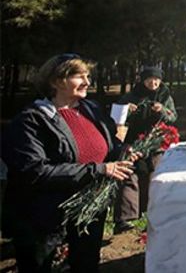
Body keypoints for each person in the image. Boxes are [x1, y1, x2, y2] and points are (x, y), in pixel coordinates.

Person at [2, 54, 138, 273]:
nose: (87, 82)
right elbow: (35, 172)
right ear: (56, 81)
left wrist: (121, 152)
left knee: (86, 265)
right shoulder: (31, 121)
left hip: (89, 211)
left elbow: (108, 143)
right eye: (79, 76)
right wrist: (101, 170)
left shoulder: (90, 109)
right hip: (46, 218)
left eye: (88, 76)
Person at [113, 66, 177, 234]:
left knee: (154, 178)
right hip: (132, 143)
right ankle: (124, 219)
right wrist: (127, 111)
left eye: (156, 79)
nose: (153, 82)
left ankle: (154, 217)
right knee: (128, 176)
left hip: (155, 143)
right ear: (142, 80)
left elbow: (172, 117)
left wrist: (162, 110)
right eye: (149, 79)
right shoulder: (130, 96)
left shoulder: (164, 96)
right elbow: (116, 116)